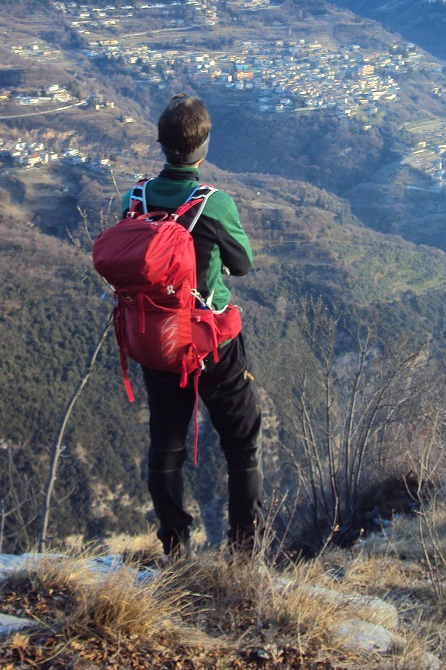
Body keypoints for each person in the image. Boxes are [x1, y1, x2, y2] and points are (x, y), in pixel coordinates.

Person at [122, 94, 263, 557]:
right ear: (204, 144)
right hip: (211, 340)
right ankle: (244, 553)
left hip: (157, 340)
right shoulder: (214, 203)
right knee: (241, 445)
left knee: (166, 443)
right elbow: (241, 265)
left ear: (160, 143)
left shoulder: (135, 197)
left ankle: (175, 550)